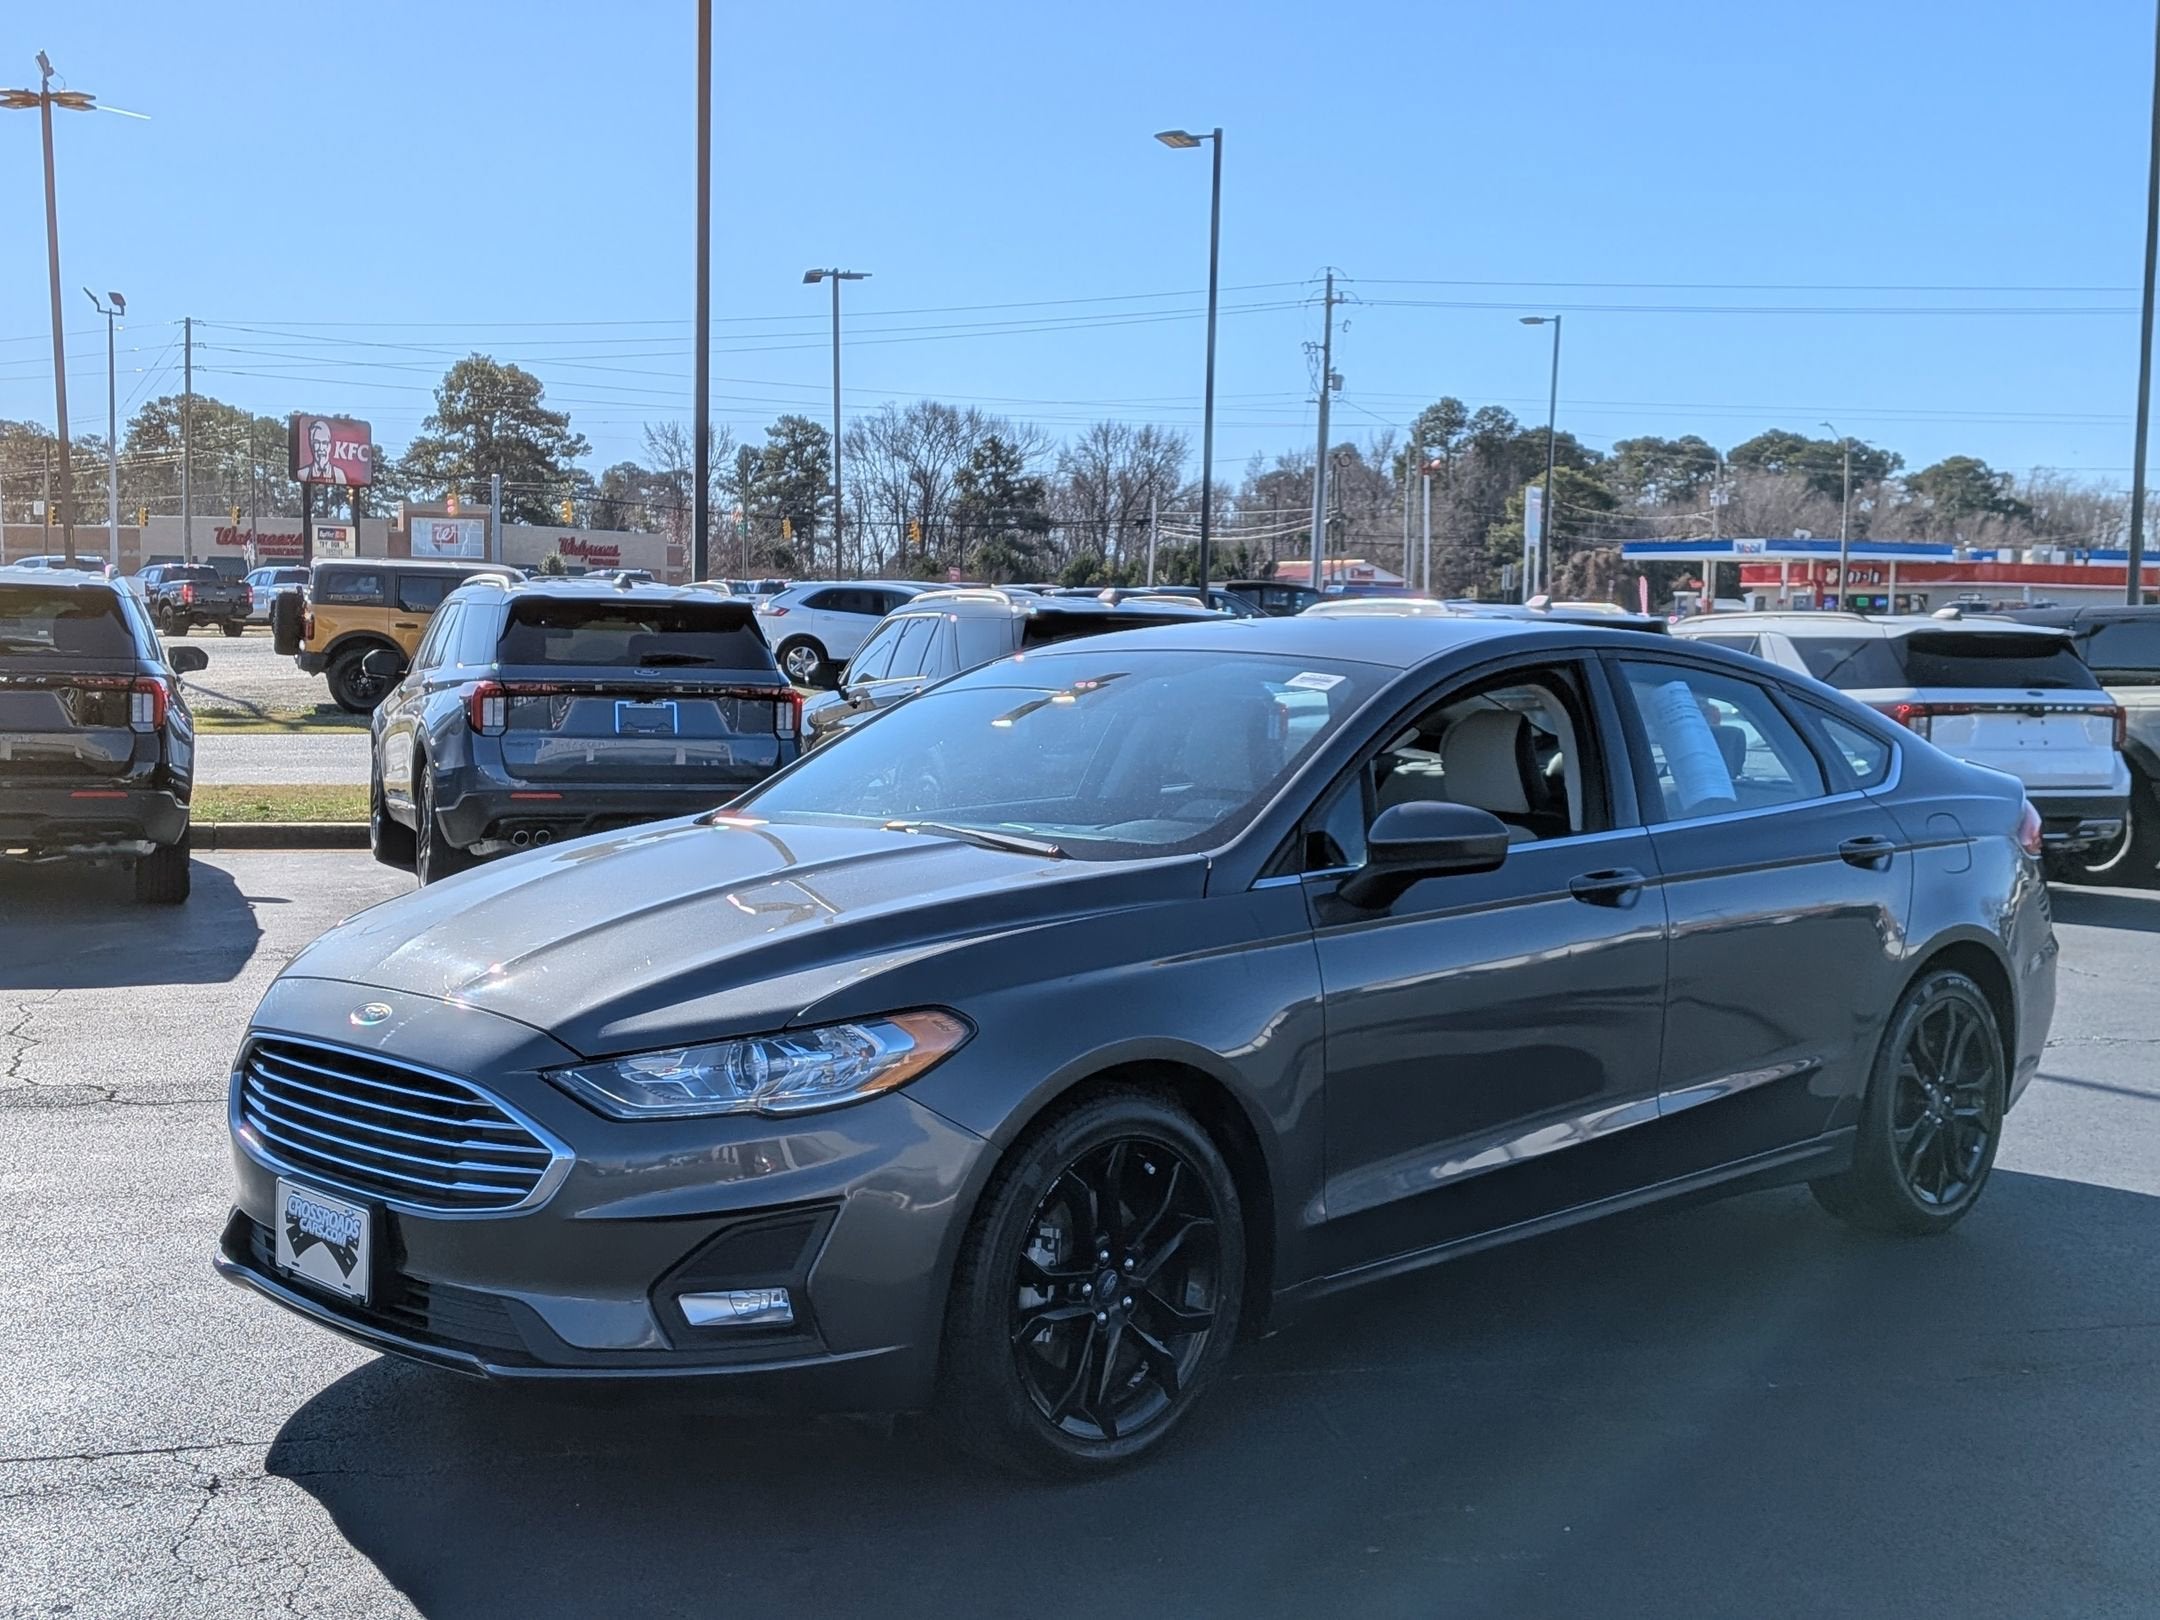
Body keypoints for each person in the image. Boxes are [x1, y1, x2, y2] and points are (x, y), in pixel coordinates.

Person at [298, 418, 347, 486]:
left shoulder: (339, 474)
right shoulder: (302, 474)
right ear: (311, 445)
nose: (321, 448)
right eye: (317, 442)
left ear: (329, 446)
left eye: (324, 443)